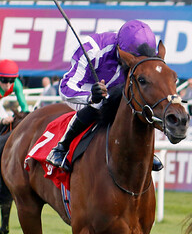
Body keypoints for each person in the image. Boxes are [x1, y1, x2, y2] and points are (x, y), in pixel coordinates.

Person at [45, 20, 162, 172]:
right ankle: (61, 147)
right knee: (101, 105)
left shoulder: (147, 58)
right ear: (119, 48)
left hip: (115, 92)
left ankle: (143, 150)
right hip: (87, 90)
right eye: (131, 59)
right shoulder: (92, 49)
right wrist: (91, 96)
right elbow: (65, 88)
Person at [0, 59, 29, 125]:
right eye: (4, 80)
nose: (8, 84)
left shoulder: (17, 84)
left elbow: (24, 105)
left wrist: (27, 114)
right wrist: (2, 120)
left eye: (11, 80)